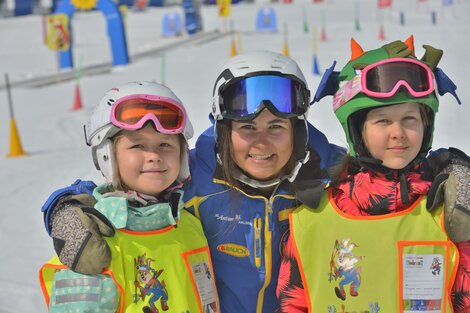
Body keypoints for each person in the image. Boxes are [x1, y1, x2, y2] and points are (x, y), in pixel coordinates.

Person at [40, 51, 346, 312]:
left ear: (298, 132)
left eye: (276, 126)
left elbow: (377, 171)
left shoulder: (324, 173)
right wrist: (65, 206)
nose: (262, 143)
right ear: (224, 131)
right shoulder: (196, 177)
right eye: (247, 126)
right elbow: (122, 188)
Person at [276, 37, 470, 312]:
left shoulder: (450, 212)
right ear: (358, 131)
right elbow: (293, 303)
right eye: (382, 121)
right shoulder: (312, 221)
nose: (398, 133)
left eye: (409, 119)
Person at [39, 81, 219, 313]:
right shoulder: (90, 244)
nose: (154, 155)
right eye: (137, 146)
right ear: (107, 156)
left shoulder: (190, 226)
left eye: (165, 144)